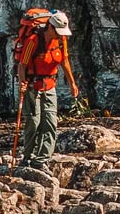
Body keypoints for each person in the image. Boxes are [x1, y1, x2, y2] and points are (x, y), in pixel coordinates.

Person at [17, 9, 80, 169]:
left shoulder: (61, 40)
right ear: (50, 27)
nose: (61, 35)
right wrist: (22, 83)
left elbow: (64, 61)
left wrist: (72, 83)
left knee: (50, 122)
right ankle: (27, 157)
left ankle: (41, 160)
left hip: (50, 86)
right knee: (33, 122)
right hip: (32, 86)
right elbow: (22, 65)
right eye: (58, 32)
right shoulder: (33, 40)